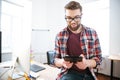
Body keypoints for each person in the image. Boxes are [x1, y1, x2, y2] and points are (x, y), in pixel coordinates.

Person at [54, 1, 102, 80]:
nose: (73, 21)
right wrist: (62, 62)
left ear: (81, 15)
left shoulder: (92, 33)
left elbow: (98, 59)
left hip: (89, 73)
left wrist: (86, 63)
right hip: (68, 73)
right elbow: (55, 60)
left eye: (76, 17)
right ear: (65, 16)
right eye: (69, 18)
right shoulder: (59, 35)